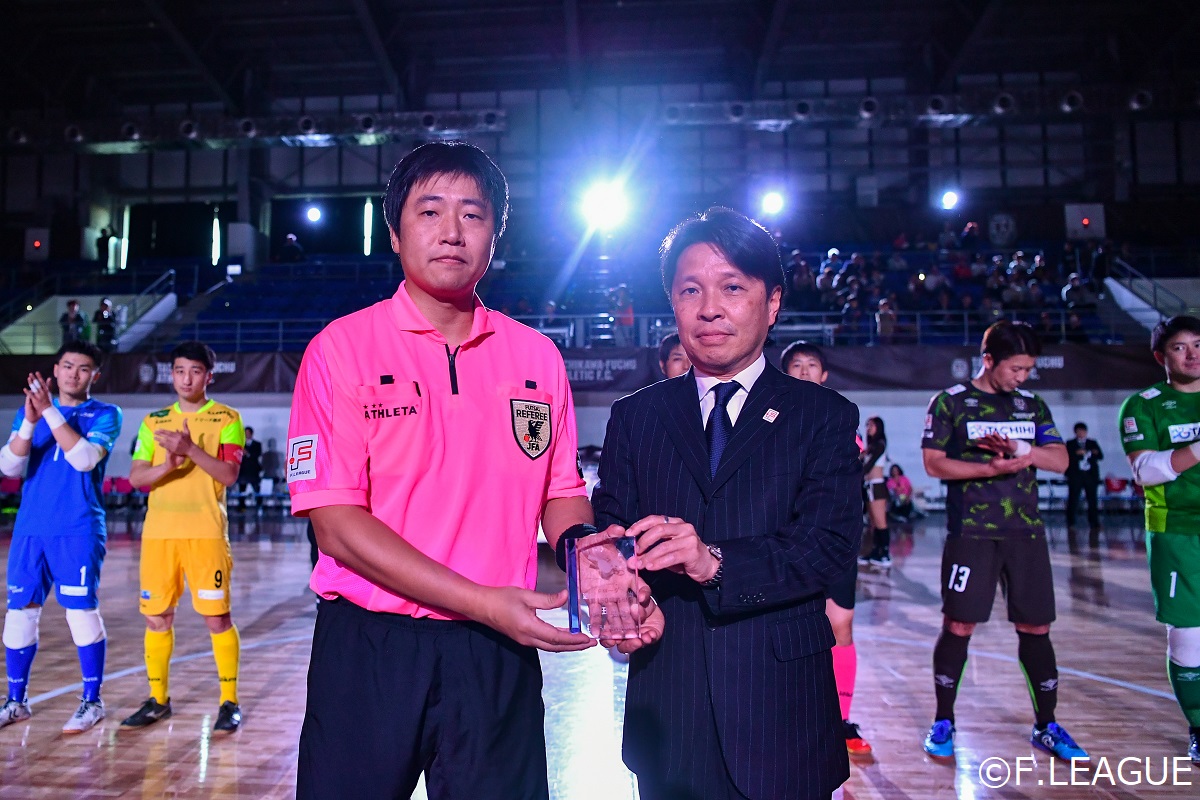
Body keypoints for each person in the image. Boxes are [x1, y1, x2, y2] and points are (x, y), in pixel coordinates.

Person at [287, 141, 643, 799]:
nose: (452, 231)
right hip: (371, 648)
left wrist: (584, 553)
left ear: (494, 235)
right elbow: (335, 526)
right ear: (395, 233)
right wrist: (483, 602)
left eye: (472, 214)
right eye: (430, 212)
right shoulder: (340, 350)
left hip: (495, 652)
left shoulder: (536, 357)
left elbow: (561, 491)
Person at [592, 207, 862, 800]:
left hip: (783, 711)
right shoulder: (636, 417)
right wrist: (621, 595)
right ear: (673, 302)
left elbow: (827, 547)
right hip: (670, 703)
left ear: (772, 302)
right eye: (690, 290)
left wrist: (712, 561)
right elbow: (610, 532)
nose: (710, 308)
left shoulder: (822, 416)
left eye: (732, 287)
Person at [921, 320, 1088, 762]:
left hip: (1025, 533)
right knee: (959, 624)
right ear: (988, 359)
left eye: (1028, 369)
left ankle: (1046, 725)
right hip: (971, 534)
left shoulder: (1031, 405)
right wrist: (988, 469)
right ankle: (943, 721)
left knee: (1036, 627)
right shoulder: (951, 402)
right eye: (1015, 368)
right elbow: (934, 464)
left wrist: (1020, 451)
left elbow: (1060, 461)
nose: (1022, 377)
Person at [121, 341, 246, 735]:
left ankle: (229, 701)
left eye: (195, 371)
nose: (186, 379)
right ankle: (158, 700)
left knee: (217, 618)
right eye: (179, 371)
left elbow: (228, 475)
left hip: (206, 534)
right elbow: (136, 478)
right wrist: (169, 465)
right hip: (159, 535)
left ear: (209, 376)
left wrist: (191, 448)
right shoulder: (153, 422)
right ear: (171, 375)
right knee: (156, 617)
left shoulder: (228, 418)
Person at [0, 343, 121, 733]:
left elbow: (84, 459)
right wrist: (29, 421)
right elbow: (9, 467)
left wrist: (49, 411)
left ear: (95, 375)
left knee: (80, 614)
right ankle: (16, 701)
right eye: (67, 366)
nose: (73, 374)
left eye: (83, 368)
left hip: (77, 528)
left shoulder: (106, 413)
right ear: (56, 369)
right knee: (19, 614)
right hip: (30, 528)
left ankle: (92, 701)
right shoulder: (32, 412)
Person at [781, 339, 873, 757]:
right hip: (785, 543)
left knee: (840, 626)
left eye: (811, 365)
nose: (804, 371)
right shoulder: (768, 418)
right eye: (796, 365)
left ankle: (841, 719)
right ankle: (791, 717)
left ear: (824, 375)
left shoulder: (839, 419)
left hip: (834, 542)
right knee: (788, 629)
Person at [1119, 315, 1200, 763]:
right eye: (1179, 347)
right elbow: (1147, 471)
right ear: (1160, 356)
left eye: (1198, 345)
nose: (1192, 355)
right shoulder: (1143, 405)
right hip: (1177, 534)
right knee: (1188, 638)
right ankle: (1198, 727)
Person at [859, 416, 892, 567]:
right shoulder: (871, 447)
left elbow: (869, 466)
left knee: (880, 521)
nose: (868, 428)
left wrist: (857, 473)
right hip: (869, 485)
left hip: (877, 486)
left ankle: (885, 553)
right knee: (873, 522)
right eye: (867, 425)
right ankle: (875, 551)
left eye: (872, 425)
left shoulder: (880, 445)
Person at [1065, 422, 1103, 532]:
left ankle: (1094, 522)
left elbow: (1100, 456)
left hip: (1090, 476)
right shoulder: (1070, 443)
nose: (1081, 433)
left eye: (1083, 431)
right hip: (1076, 476)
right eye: (1079, 431)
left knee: (1092, 500)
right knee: (1073, 499)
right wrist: (1076, 454)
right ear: (1075, 432)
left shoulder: (1092, 443)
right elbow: (1066, 457)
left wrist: (1092, 453)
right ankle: (1071, 522)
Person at [237, 425, 263, 506]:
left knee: (257, 489)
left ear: (251, 434)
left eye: (248, 433)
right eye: (245, 433)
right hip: (243, 470)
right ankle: (241, 507)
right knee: (242, 490)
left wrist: (248, 454)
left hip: (253, 471)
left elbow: (258, 455)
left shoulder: (257, 444)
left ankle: (259, 506)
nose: (246, 435)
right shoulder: (240, 445)